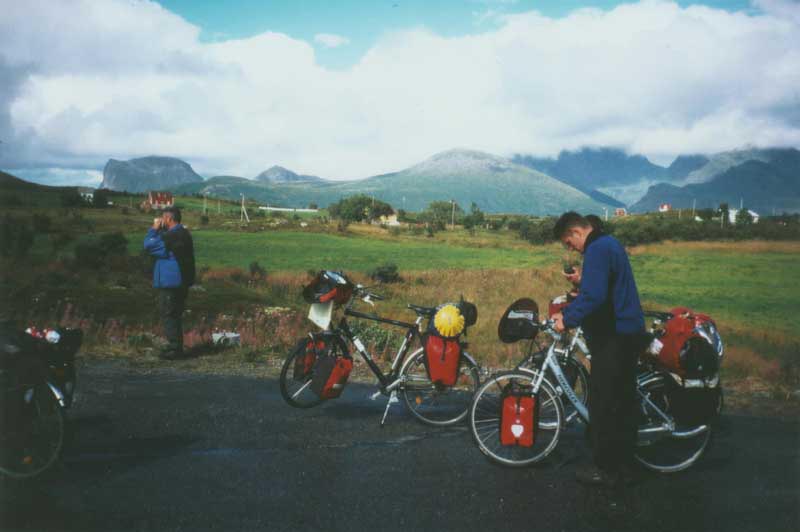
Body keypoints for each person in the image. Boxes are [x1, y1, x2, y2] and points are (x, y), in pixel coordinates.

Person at [551, 211, 647, 487]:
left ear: (577, 233)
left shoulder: (597, 248)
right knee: (622, 401)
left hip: (615, 337)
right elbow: (601, 286)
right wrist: (583, 280)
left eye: (569, 243)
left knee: (606, 404)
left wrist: (566, 320)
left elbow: (594, 297)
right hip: (626, 332)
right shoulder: (608, 244)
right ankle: (625, 465)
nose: (572, 248)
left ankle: (607, 470)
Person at [144, 206, 195, 360]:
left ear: (168, 219)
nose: (161, 220)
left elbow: (148, 245)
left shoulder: (171, 237)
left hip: (170, 282)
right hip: (182, 281)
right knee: (175, 314)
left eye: (163, 218)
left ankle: (175, 349)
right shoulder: (183, 233)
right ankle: (176, 346)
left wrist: (154, 229)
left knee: (169, 314)